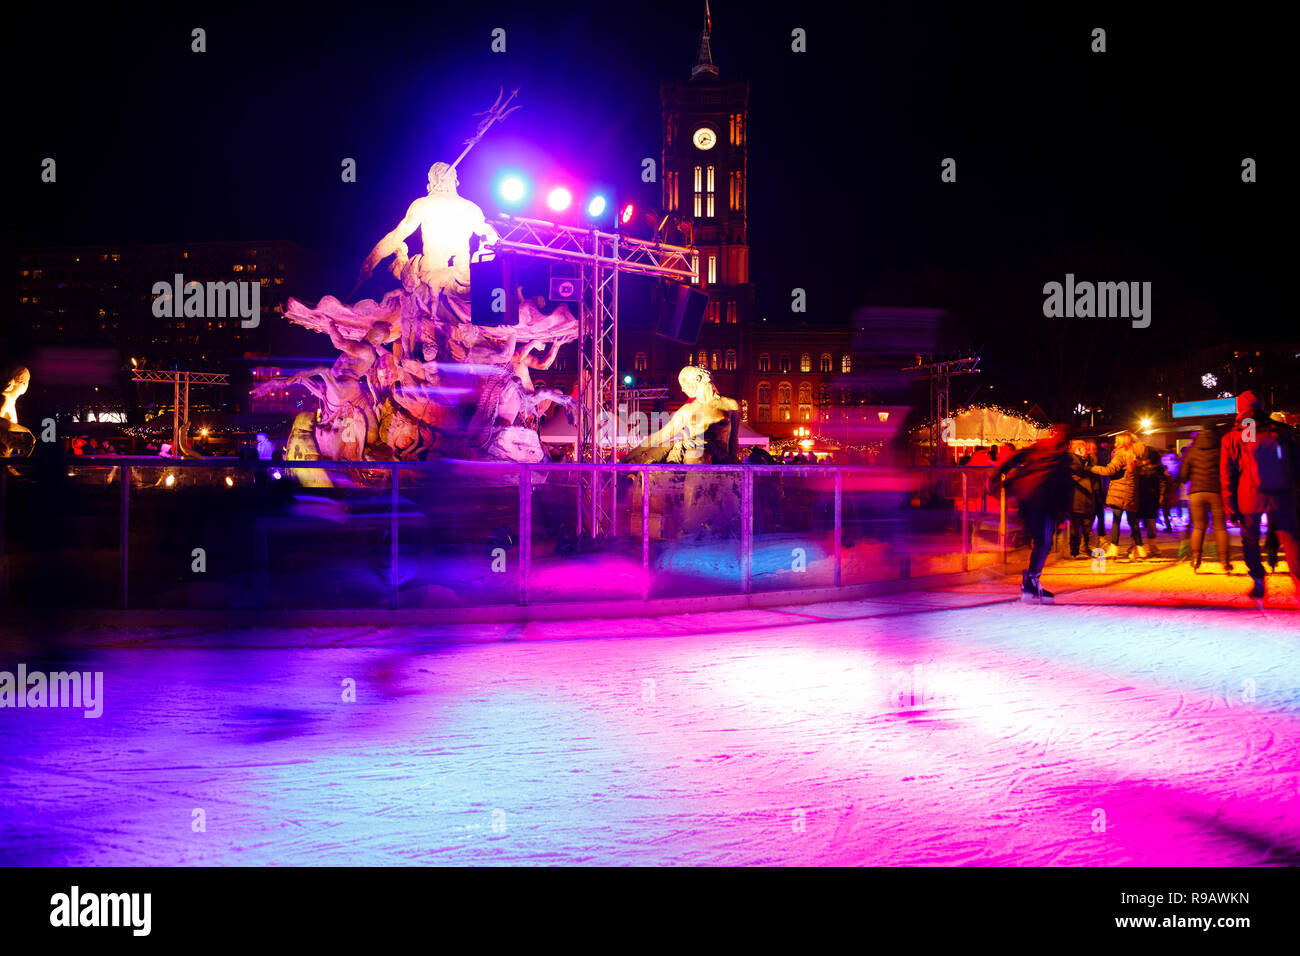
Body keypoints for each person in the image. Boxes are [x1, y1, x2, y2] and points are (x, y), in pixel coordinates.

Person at [1220, 390, 1300, 603]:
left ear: (1240, 409)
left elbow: (1227, 474)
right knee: (1291, 540)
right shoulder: (1283, 431)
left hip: (1249, 495)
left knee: (1250, 539)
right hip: (1282, 494)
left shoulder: (1234, 434)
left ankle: (1258, 580)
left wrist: (1230, 506)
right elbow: (1297, 464)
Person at [994, 424, 1073, 602]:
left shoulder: (1041, 450)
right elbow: (1065, 487)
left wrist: (999, 475)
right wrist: (1064, 514)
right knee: (1043, 542)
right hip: (1041, 503)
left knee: (1041, 542)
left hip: (1029, 502)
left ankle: (1030, 579)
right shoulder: (1060, 458)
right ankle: (1031, 581)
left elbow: (1015, 458)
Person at [1178, 424, 1232, 573]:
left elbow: (1183, 474)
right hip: (1216, 492)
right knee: (1220, 528)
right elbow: (1229, 469)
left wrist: (1191, 478)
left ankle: (1196, 560)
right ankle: (1225, 562)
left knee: (1198, 527)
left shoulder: (1192, 450)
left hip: (1196, 493)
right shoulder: (1221, 448)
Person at [1090, 431, 1146, 559]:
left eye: (1116, 441)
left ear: (1122, 442)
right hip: (1131, 492)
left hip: (1119, 492)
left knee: (1116, 521)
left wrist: (1091, 468)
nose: (1114, 443)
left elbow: (1110, 470)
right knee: (1133, 522)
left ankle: (1114, 550)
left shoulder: (1120, 454)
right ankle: (1141, 549)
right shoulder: (1136, 455)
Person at [1066, 439, 1099, 557]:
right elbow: (1076, 470)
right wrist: (1086, 471)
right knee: (1075, 525)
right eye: (1085, 447)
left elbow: (1093, 471)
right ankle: (1074, 550)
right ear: (1079, 449)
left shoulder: (1088, 460)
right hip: (1076, 498)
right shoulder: (1071, 459)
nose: (1088, 450)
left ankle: (1085, 547)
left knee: (1087, 525)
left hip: (1087, 497)